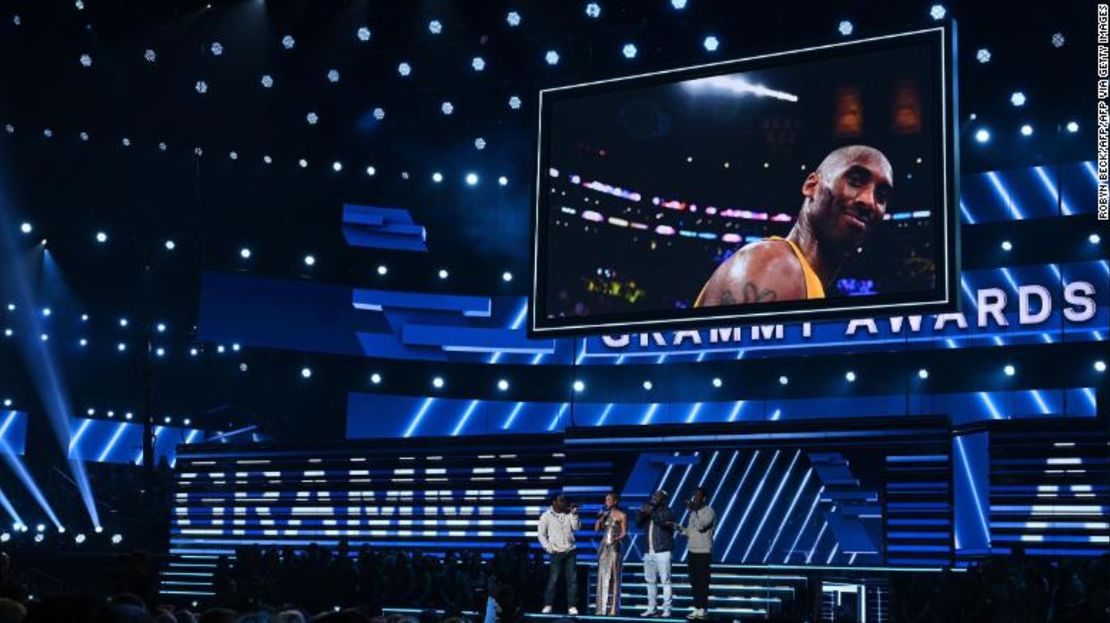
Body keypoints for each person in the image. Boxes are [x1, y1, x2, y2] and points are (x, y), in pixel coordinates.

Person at [695, 145, 894, 306]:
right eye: (855, 181)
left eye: (881, 196)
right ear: (811, 186)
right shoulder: (776, 265)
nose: (869, 201)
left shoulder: (803, 279)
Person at [675, 487, 716, 620]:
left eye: (697, 496)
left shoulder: (709, 511)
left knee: (702, 581)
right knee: (693, 581)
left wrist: (694, 511)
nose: (694, 499)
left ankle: (703, 608)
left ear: (703, 498)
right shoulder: (693, 513)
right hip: (692, 550)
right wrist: (679, 529)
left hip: (703, 551)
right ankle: (697, 607)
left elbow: (700, 526)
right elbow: (691, 532)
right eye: (694, 496)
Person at [537, 493, 581, 616]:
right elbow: (541, 534)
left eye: (564, 501)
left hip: (570, 551)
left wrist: (574, 514)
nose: (564, 503)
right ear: (554, 502)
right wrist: (549, 548)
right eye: (561, 501)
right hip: (556, 552)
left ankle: (572, 606)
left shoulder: (569, 514)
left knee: (572, 580)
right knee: (553, 579)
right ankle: (548, 604)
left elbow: (576, 528)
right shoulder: (546, 516)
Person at [636, 490, 676, 618]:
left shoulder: (667, 511)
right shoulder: (648, 510)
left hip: (663, 551)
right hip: (649, 552)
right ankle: (651, 607)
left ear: (663, 499)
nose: (654, 498)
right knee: (650, 581)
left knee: (665, 581)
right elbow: (637, 524)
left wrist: (651, 512)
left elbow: (663, 523)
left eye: (658, 496)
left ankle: (667, 609)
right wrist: (642, 513)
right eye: (654, 495)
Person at [594, 492, 628, 615]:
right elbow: (596, 529)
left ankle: (613, 608)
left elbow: (624, 533)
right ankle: (601, 608)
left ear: (615, 501)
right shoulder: (604, 514)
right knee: (602, 575)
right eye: (606, 499)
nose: (607, 501)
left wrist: (617, 538)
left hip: (615, 546)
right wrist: (600, 518)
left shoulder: (622, 515)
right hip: (604, 547)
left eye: (609, 499)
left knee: (614, 577)